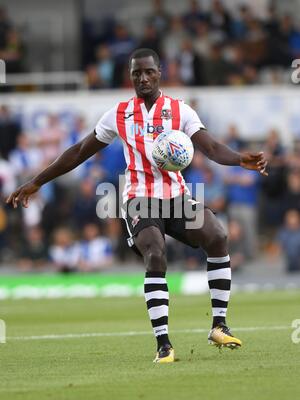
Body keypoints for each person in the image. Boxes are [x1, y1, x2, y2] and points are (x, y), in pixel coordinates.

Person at [6, 48, 268, 363]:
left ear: (160, 72)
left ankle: (219, 325)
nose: (142, 78)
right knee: (156, 253)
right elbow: (78, 151)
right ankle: (164, 345)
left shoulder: (180, 110)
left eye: (148, 72)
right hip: (139, 199)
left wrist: (240, 159)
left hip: (177, 197)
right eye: (136, 73)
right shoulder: (118, 114)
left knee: (217, 235)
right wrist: (38, 180)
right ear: (130, 76)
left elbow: (211, 148)